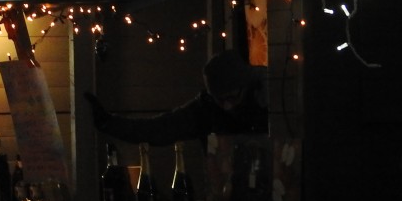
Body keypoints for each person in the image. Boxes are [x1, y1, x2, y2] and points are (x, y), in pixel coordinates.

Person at [84, 49, 267, 146]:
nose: (227, 106)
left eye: (232, 98)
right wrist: (109, 123)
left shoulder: (269, 96)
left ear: (246, 86)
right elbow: (159, 129)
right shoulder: (207, 109)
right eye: (220, 100)